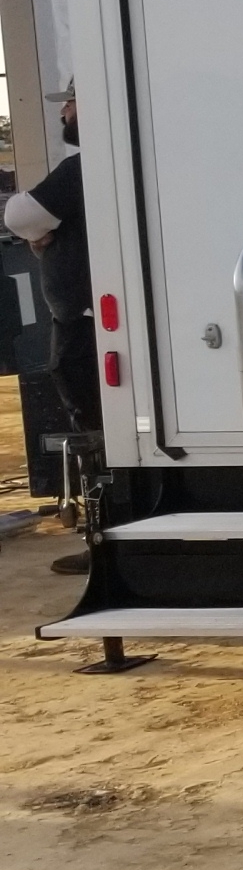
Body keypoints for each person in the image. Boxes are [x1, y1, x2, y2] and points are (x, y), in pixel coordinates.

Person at [5, 89, 98, 570]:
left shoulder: (88, 165)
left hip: (91, 330)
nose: (64, 110)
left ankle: (109, 541)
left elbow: (20, 214)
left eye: (72, 101)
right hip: (89, 323)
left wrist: (39, 231)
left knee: (100, 434)